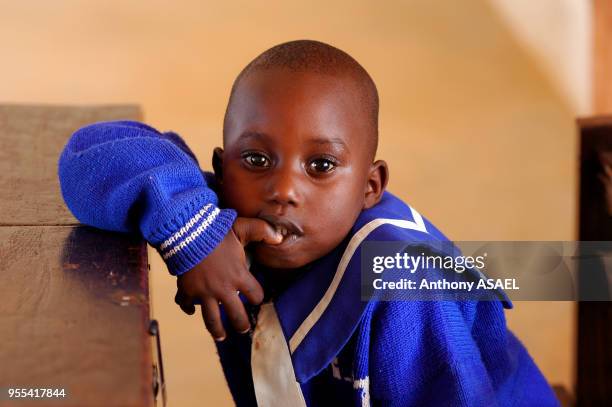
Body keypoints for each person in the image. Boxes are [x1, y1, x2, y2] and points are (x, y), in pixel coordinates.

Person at [58, 40, 558, 406]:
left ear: (370, 186)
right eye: (255, 159)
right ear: (223, 165)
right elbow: (88, 154)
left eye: (320, 167)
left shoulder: (402, 283)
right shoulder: (214, 218)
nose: (283, 189)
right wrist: (192, 232)